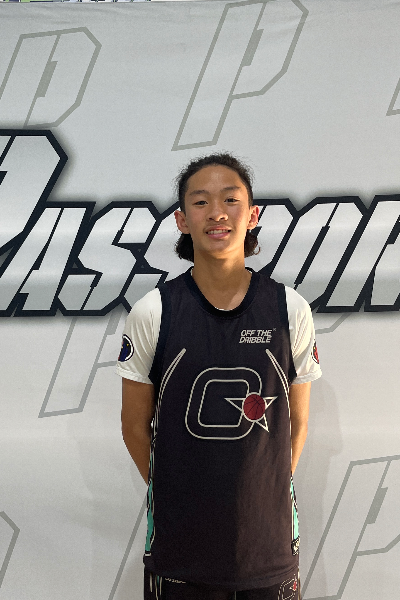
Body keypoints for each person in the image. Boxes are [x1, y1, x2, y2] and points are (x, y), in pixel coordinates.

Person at [116, 153, 321, 600]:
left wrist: (262, 493)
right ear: (181, 220)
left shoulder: (290, 309)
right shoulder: (153, 311)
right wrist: (179, 495)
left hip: (269, 550)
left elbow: (299, 422)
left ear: (253, 215)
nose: (217, 213)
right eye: (200, 201)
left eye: (230, 200)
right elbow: (133, 426)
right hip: (181, 550)